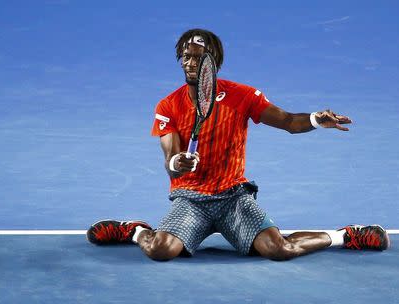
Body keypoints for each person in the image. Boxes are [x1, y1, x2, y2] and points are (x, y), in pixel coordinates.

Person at [86, 29, 390, 261]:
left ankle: (345, 235)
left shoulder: (242, 96)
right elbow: (170, 162)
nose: (190, 62)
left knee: (279, 249)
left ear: (213, 61)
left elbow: (286, 121)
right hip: (191, 198)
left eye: (197, 56)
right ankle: (135, 230)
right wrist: (178, 163)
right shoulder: (168, 105)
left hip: (233, 196)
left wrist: (313, 119)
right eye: (185, 56)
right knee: (161, 251)